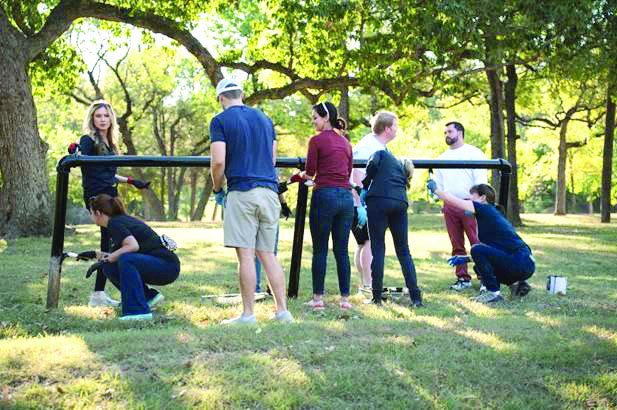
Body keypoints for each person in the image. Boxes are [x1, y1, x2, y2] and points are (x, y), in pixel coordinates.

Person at [209, 78, 293, 324]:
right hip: (269, 191)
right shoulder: (265, 120)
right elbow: (273, 160)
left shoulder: (220, 121)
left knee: (246, 256)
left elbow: (218, 162)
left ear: (221, 98)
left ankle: (248, 314)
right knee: (268, 254)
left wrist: (217, 189)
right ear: (241, 94)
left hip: (242, 190)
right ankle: (283, 311)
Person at [74, 100, 150, 307]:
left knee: (113, 242)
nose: (102, 119)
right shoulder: (88, 140)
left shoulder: (110, 143)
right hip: (98, 198)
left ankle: (100, 294)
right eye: (98, 116)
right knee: (113, 242)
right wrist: (76, 152)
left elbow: (106, 173)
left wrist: (132, 181)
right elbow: (86, 165)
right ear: (92, 119)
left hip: (111, 194)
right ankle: (100, 294)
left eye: (106, 116)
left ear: (111, 119)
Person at [427, 182, 535, 303]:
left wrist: (436, 190)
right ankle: (517, 286)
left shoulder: (484, 208)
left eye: (471, 197)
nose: (468, 200)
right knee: (478, 265)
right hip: (526, 263)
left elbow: (452, 200)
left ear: (482, 198)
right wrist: (466, 259)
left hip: (521, 261)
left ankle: (493, 293)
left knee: (476, 249)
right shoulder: (492, 213)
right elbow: (493, 254)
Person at [361, 113, 422, 307]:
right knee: (404, 250)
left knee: (378, 249)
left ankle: (376, 297)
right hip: (400, 202)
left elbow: (371, 168)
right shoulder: (399, 167)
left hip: (378, 201)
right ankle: (416, 298)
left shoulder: (380, 153)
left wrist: (365, 186)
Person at [89, 194, 180, 320]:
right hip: (161, 264)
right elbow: (118, 253)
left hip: (167, 266)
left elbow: (132, 246)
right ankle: (148, 297)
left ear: (98, 213)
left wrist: (111, 257)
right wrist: (96, 255)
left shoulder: (114, 223)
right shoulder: (118, 221)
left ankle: (137, 312)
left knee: (126, 260)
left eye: (91, 213)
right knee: (109, 266)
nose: (91, 217)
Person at [300, 101, 354, 310]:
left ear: (326, 118)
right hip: (346, 198)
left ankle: (318, 298)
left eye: (315, 118)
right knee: (342, 251)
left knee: (320, 250)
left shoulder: (316, 141)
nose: (313, 122)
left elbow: (311, 171)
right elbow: (347, 172)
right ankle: (345, 300)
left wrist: (303, 175)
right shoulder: (346, 143)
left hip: (325, 196)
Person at [434, 121, 487, 291]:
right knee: (456, 244)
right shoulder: (441, 158)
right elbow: (439, 186)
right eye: (445, 132)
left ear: (460, 132)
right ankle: (463, 278)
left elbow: (481, 182)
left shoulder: (474, 153)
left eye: (449, 131)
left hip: (470, 204)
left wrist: (478, 205)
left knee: (477, 243)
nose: (446, 135)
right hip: (449, 205)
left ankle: (485, 277)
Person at [350, 113, 391, 292]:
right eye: (395, 126)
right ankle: (369, 284)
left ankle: (365, 284)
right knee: (369, 243)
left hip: (365, 203)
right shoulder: (369, 146)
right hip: (364, 204)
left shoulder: (377, 145)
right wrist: (360, 205)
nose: (397, 129)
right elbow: (357, 173)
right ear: (387, 128)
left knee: (363, 243)